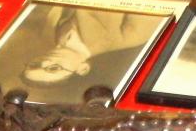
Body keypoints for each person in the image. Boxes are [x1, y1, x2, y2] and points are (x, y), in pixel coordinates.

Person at [20, 6, 161, 88]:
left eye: (34, 65)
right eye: (53, 68)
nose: (45, 61)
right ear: (83, 68)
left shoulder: (44, 29)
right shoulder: (131, 36)